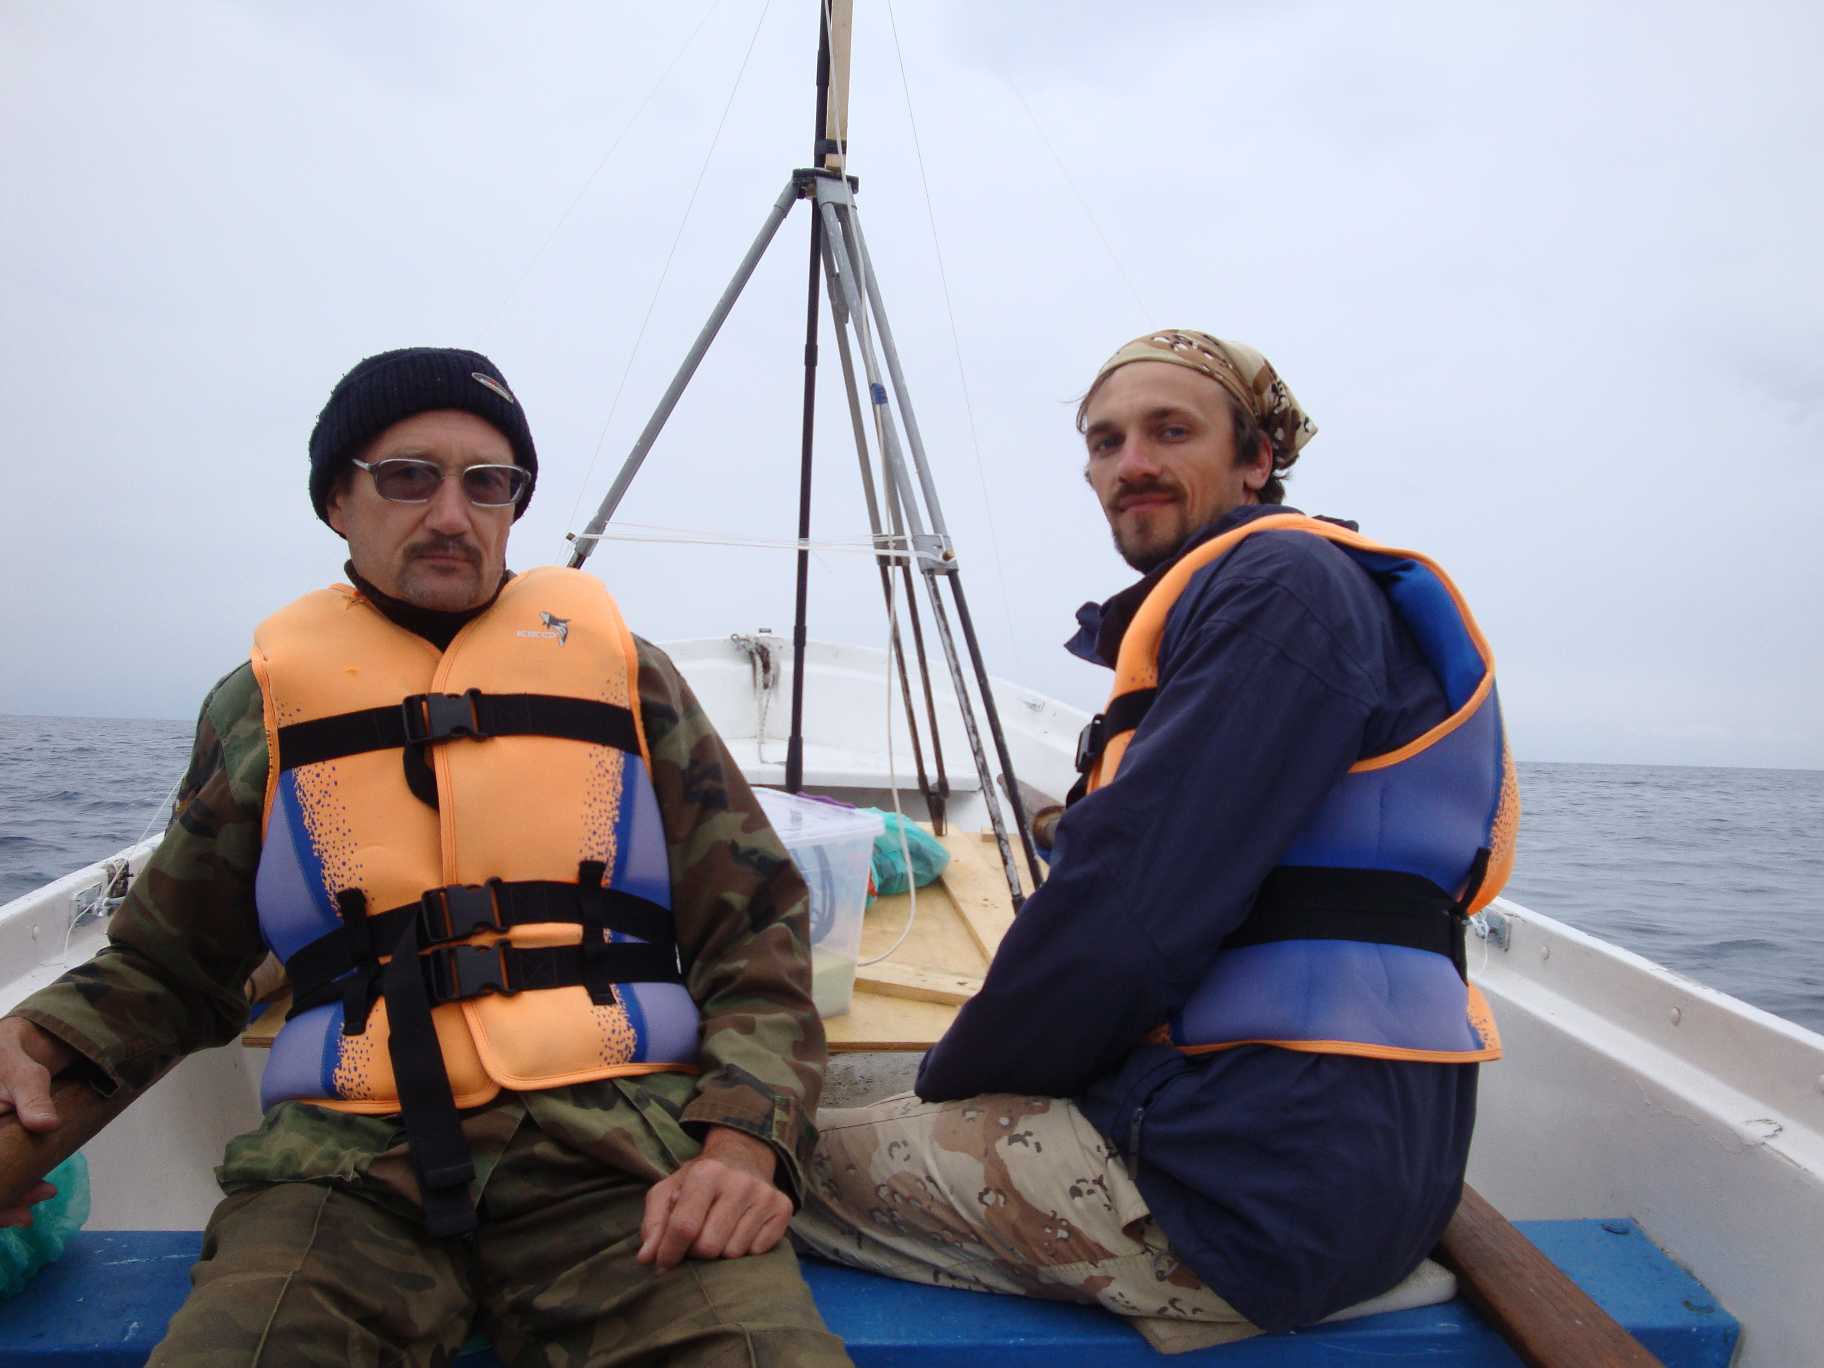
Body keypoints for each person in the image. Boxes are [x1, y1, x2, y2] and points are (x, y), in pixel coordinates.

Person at [0, 347, 852, 1366]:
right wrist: (37, 1043)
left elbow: (756, 933)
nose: (453, 513)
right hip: (342, 1168)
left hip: (625, 1154)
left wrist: (745, 1141)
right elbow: (169, 969)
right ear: (337, 501)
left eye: (488, 484)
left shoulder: (629, 680)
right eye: (409, 477)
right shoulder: (259, 710)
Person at [792, 330, 1516, 1348]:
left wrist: (949, 1092)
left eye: (1170, 432)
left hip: (1234, 1199)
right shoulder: (1287, 593)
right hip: (1329, 1164)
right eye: (1106, 441)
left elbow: (1128, 916)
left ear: (1257, 459)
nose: (1129, 463)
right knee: (814, 1087)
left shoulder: (1278, 592)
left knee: (738, 1148)